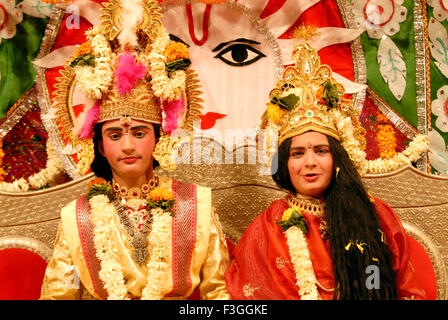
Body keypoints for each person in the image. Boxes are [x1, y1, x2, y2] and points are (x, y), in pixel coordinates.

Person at [40, 0, 230, 300]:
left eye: (139, 133)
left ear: (158, 138)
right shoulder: (79, 218)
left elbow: (219, 294)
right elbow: (60, 295)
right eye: (115, 135)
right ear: (100, 146)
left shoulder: (195, 206)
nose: (127, 145)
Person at [224, 29, 428, 300]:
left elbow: (406, 291)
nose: (310, 162)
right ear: (285, 164)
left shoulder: (375, 216)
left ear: (337, 158)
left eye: (320, 151)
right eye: (297, 153)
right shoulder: (267, 229)